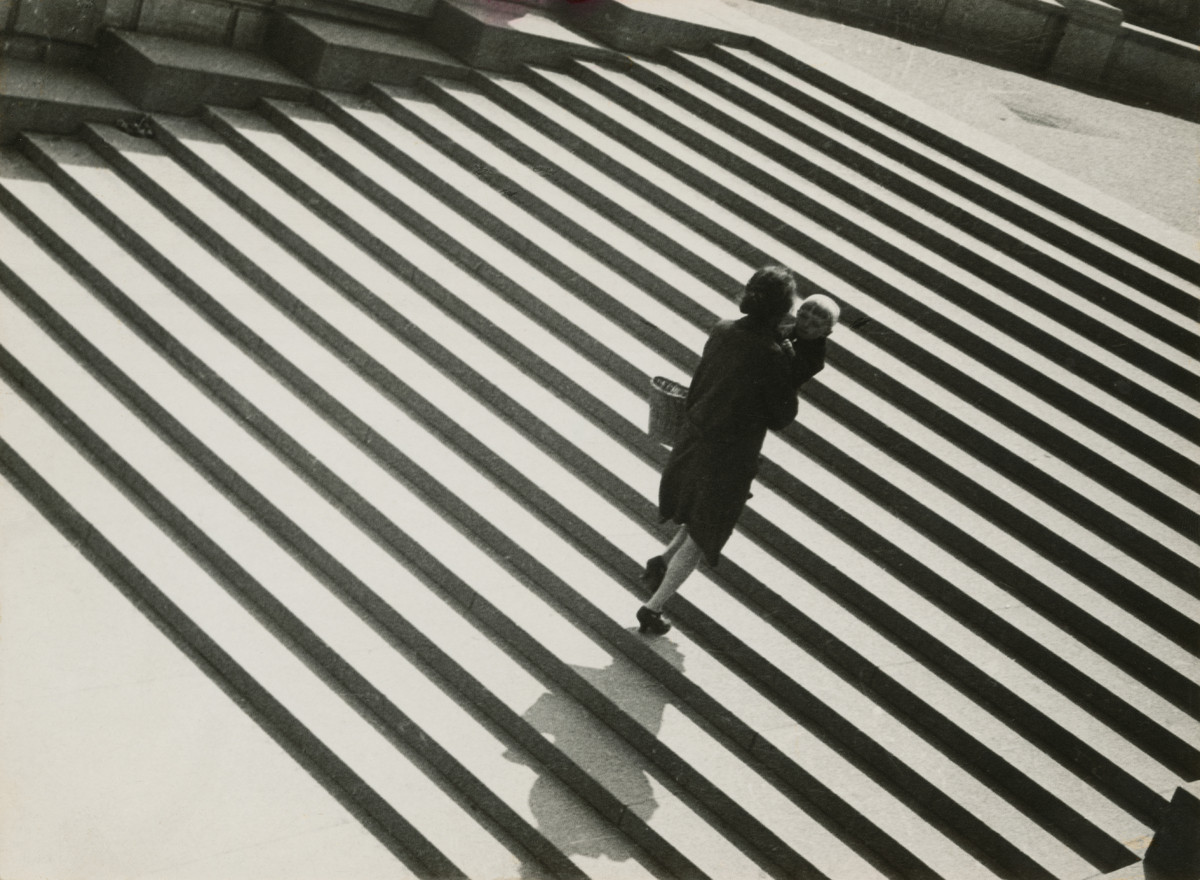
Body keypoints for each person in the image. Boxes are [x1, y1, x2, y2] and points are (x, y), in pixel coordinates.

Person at [637, 268, 840, 635]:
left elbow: (702, 382)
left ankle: (662, 562)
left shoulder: (723, 329)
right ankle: (653, 608)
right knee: (705, 533)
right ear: (783, 309)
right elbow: (781, 416)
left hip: (696, 437)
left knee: (697, 517)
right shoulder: (773, 355)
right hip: (730, 454)